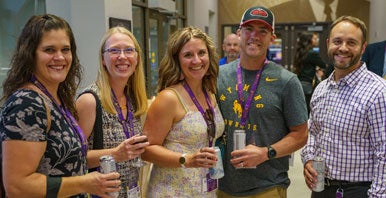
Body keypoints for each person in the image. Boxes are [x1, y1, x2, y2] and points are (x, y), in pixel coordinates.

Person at [0, 14, 120, 197]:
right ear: (30, 54)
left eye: (65, 49)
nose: (60, 57)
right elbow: (18, 186)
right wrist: (85, 183)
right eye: (49, 50)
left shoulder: (56, 98)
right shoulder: (27, 103)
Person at [217, 6, 308, 197]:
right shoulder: (218, 76)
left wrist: (266, 153)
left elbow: (300, 134)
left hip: (267, 188)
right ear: (239, 33)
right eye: (249, 29)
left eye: (263, 31)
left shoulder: (287, 81)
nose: (255, 36)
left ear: (272, 38)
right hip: (222, 187)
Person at [301, 16, 386, 197]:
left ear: (363, 47)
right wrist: (308, 158)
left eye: (351, 43)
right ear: (328, 43)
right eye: (337, 41)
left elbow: (384, 153)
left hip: (359, 190)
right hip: (321, 188)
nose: (343, 48)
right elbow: (313, 130)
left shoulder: (378, 92)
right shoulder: (322, 88)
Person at [141, 26, 225, 197]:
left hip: (203, 189)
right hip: (171, 191)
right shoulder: (169, 98)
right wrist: (186, 159)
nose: (196, 60)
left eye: (201, 53)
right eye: (188, 55)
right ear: (177, 60)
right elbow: (146, 150)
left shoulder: (210, 93)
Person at [76, 26, 149, 198]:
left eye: (129, 50)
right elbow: (74, 158)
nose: (122, 56)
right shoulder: (89, 100)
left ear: (137, 58)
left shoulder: (133, 99)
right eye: (114, 50)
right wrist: (115, 154)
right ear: (103, 59)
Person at [293, 31, 326, 113]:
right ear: (309, 40)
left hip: (299, 84)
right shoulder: (312, 53)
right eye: (314, 38)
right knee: (308, 111)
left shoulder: (300, 52)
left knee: (301, 110)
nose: (317, 40)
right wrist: (319, 70)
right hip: (308, 85)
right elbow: (323, 65)